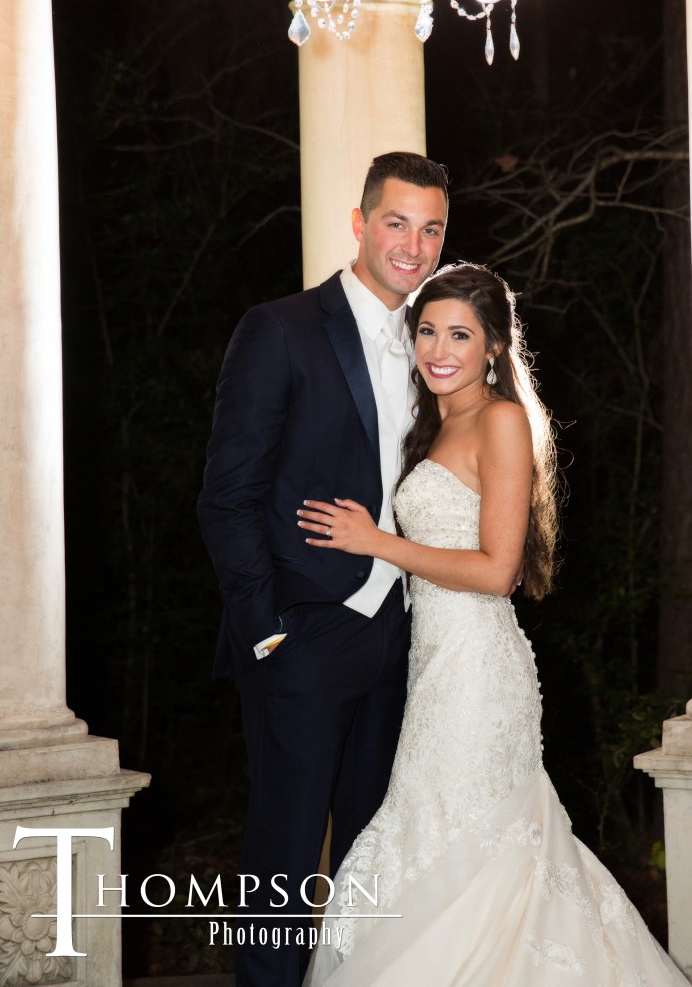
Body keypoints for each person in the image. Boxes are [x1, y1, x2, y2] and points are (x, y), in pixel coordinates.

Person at [297, 263, 692, 986]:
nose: (439, 349)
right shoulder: (434, 422)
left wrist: (375, 542)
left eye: (460, 335)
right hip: (434, 662)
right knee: (439, 836)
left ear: (495, 348)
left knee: (474, 842)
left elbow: (497, 571)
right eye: (427, 331)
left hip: (477, 669)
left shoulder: (501, 420)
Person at [197, 152, 449, 987]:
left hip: (400, 637)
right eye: (396, 222)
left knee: (371, 859)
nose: (413, 245)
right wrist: (267, 631)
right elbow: (227, 496)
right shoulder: (281, 329)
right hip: (301, 637)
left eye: (431, 229)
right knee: (284, 855)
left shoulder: (437, 344)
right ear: (359, 224)